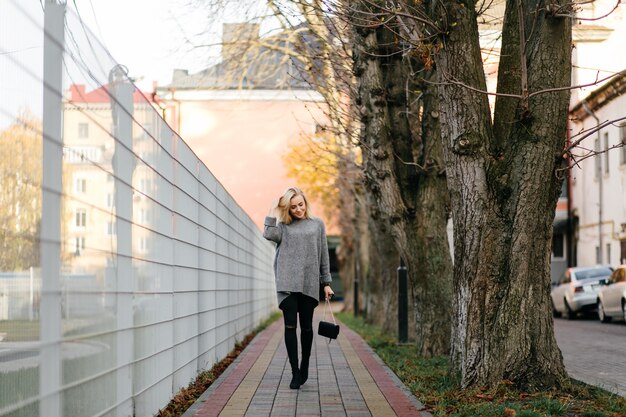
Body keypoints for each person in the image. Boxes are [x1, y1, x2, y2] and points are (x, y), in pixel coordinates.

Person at [263, 186, 334, 390]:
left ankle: (305, 364)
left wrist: (326, 283)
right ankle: (295, 371)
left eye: (300, 205)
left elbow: (323, 255)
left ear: (306, 203)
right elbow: (268, 233)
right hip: (286, 283)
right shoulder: (283, 227)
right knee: (290, 326)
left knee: (307, 327)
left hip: (309, 282)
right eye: (293, 207)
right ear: (288, 208)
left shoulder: (317, 225)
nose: (298, 209)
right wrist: (273, 209)